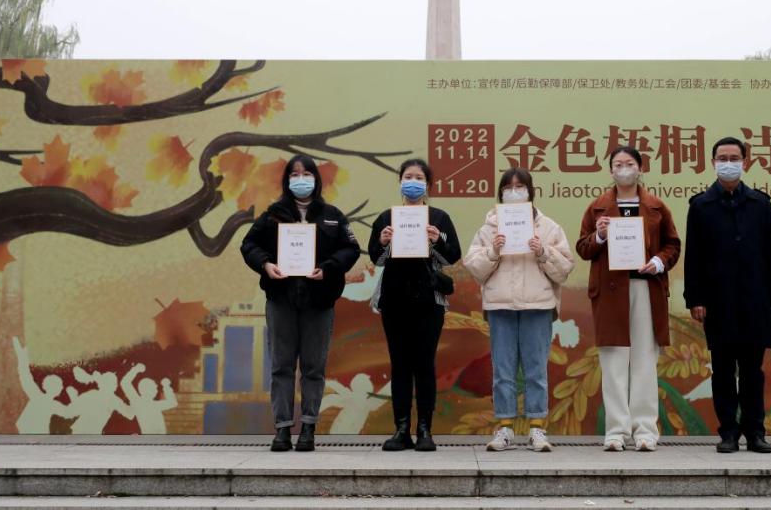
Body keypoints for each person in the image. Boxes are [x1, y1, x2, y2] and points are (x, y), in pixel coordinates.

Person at [240, 154, 361, 452]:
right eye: (294, 174)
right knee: (281, 365)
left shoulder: (332, 215)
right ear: (287, 181)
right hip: (281, 299)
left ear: (316, 179)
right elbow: (249, 245)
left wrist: (329, 268)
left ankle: (308, 428)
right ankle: (282, 429)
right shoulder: (273, 215)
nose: (300, 179)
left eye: (306, 174)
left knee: (313, 366)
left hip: (319, 302)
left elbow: (351, 248)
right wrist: (266, 264)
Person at [684, 136, 771, 454]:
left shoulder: (760, 204)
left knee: (753, 371)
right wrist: (695, 298)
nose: (727, 163)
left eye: (733, 158)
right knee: (723, 370)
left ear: (745, 162)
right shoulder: (701, 206)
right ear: (713, 163)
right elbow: (694, 258)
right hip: (718, 302)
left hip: (756, 300)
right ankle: (728, 432)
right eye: (722, 158)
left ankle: (756, 432)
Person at [576, 146, 681, 452]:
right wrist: (599, 236)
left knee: (645, 361)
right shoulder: (597, 208)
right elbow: (583, 248)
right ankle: (616, 431)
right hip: (611, 293)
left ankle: (645, 430)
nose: (624, 169)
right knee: (613, 363)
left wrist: (658, 262)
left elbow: (673, 245)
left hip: (646, 289)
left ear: (640, 168)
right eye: (618, 164)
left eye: (629, 163)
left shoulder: (657, 206)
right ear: (611, 171)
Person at [463, 168, 574, 452]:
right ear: (501, 193)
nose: (514, 192)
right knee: (503, 370)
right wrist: (493, 251)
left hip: (537, 306)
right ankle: (505, 428)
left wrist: (543, 251)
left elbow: (564, 269)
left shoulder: (549, 228)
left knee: (536, 370)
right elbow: (474, 268)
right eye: (508, 187)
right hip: (500, 306)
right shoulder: (488, 229)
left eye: (520, 186)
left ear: (530, 191)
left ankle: (537, 428)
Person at [368, 158, 461, 452]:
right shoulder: (387, 218)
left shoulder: (440, 218)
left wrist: (435, 241)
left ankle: (424, 430)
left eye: (419, 178)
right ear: (400, 182)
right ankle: (401, 430)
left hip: (428, 302)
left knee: (424, 364)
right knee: (400, 365)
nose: (413, 182)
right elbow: (376, 259)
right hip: (394, 300)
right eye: (408, 177)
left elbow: (452, 257)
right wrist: (383, 242)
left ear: (428, 184)